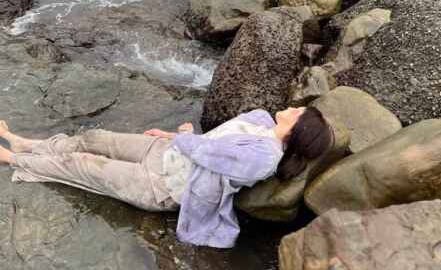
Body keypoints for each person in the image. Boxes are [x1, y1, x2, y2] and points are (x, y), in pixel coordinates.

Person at [0, 106, 333, 249]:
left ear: (297, 129)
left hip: (162, 185)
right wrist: (174, 135)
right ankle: (26, 143)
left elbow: (207, 154)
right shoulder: (261, 122)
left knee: (83, 163)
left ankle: (14, 158)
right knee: (95, 139)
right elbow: (212, 140)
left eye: (299, 113)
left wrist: (183, 135)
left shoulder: (264, 157)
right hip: (165, 153)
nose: (293, 108)